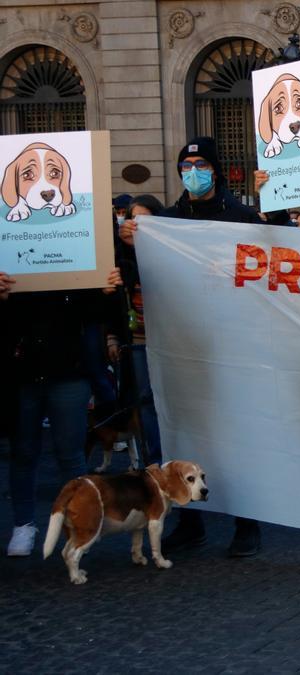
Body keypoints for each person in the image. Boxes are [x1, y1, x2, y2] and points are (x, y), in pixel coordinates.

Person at [158, 137, 263, 556]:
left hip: (237, 344)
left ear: (216, 169)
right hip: (184, 343)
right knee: (185, 432)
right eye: (186, 164)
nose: (193, 171)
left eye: (200, 163)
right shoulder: (165, 221)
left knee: (239, 436)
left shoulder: (241, 217)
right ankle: (190, 520)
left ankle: (247, 524)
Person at [2, 266, 125, 556]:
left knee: (71, 454)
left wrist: (106, 292)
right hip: (21, 372)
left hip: (69, 370)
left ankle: (80, 526)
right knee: (23, 451)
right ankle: (23, 524)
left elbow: (93, 316)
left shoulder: (74, 268)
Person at [116, 195, 167, 470]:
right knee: (145, 401)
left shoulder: (171, 252)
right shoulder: (121, 254)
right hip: (139, 340)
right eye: (134, 219)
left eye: (146, 220)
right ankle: (153, 461)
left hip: (170, 339)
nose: (138, 226)